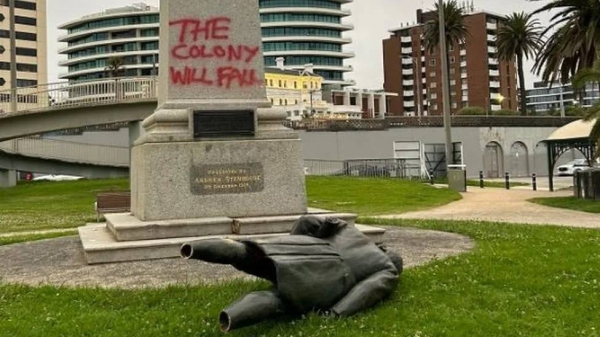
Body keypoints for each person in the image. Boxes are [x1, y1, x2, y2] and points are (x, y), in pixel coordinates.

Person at [181, 215, 402, 332]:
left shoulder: (351, 231)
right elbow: (366, 291)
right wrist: (337, 312)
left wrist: (292, 241)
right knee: (280, 300)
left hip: (304, 248)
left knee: (246, 252)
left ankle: (193, 248)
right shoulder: (387, 269)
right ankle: (229, 318)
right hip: (329, 279)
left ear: (383, 247)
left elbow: (308, 222)